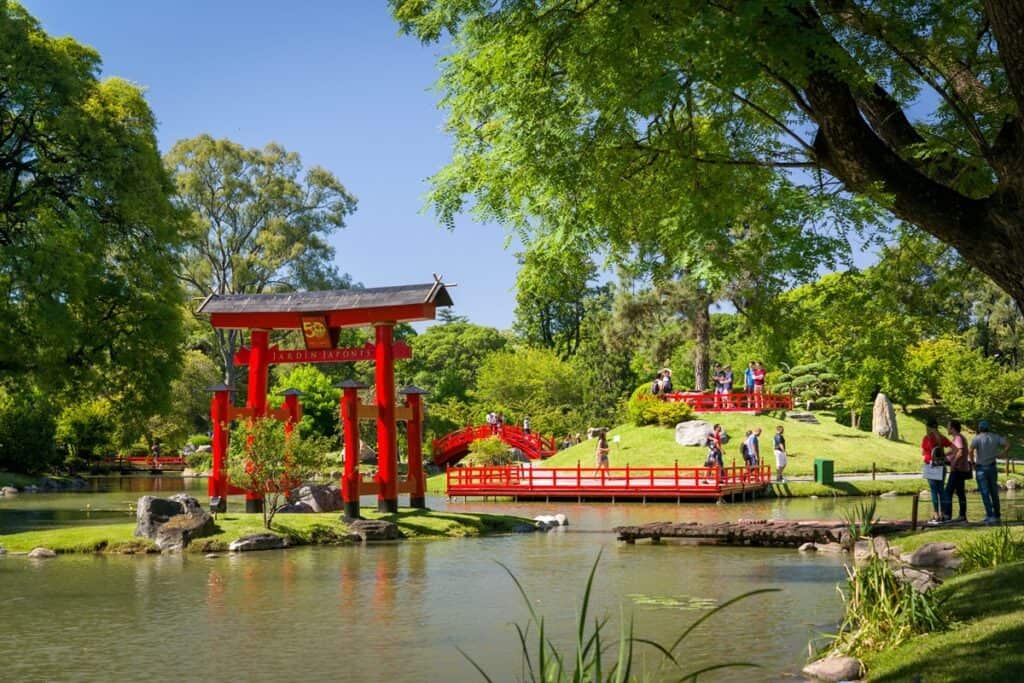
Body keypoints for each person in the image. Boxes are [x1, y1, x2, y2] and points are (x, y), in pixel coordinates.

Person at [970, 419, 1010, 525]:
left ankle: (990, 515)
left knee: (984, 492)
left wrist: (972, 462)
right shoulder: (995, 437)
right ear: (988, 428)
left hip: (981, 468)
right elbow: (1007, 444)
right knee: (994, 492)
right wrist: (1002, 454)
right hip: (992, 468)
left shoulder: (976, 439)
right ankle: (997, 515)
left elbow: (970, 451)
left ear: (979, 428)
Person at [921, 418, 952, 524]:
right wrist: (944, 456)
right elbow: (954, 448)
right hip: (941, 466)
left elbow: (923, 452)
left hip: (930, 466)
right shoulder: (942, 438)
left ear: (928, 427)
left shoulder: (927, 438)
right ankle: (943, 514)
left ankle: (936, 514)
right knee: (941, 491)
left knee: (934, 491)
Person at [942, 420, 970, 522]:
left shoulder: (958, 438)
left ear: (953, 428)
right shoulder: (958, 438)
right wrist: (944, 455)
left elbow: (961, 452)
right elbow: (954, 450)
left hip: (957, 469)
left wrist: (953, 463)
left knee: (947, 492)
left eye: (948, 427)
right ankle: (962, 516)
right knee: (960, 492)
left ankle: (947, 516)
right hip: (961, 469)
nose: (947, 429)